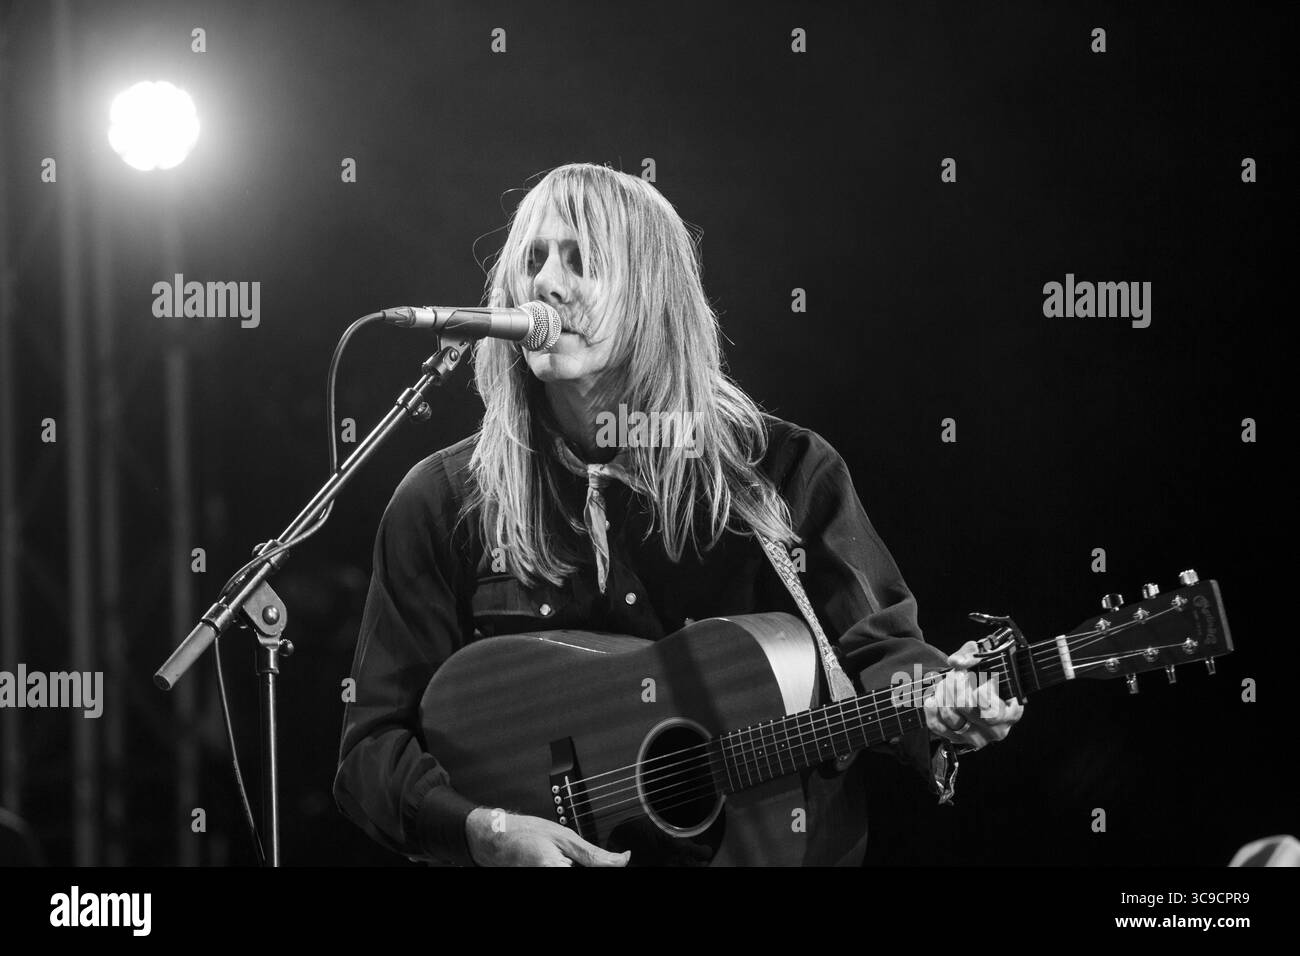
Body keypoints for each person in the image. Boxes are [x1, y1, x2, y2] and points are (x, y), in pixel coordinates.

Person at [333, 163, 1023, 867]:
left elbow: (880, 651)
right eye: (532, 259)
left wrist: (938, 705)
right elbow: (370, 750)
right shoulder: (445, 499)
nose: (544, 282)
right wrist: (486, 831)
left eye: (581, 259)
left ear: (651, 295)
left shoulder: (780, 471)